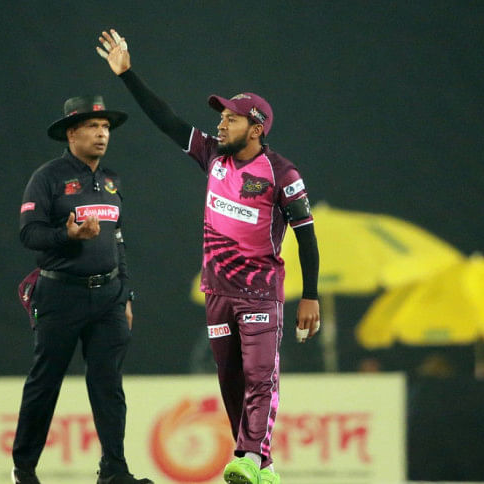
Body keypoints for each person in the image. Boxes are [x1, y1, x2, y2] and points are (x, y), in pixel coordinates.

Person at [96, 29, 321, 484]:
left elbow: (307, 236)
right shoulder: (213, 156)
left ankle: (248, 455)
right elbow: (167, 119)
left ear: (256, 128)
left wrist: (310, 295)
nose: (220, 125)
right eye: (220, 117)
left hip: (260, 292)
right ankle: (263, 466)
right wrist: (127, 74)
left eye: (231, 119)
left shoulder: (282, 173)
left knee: (261, 376)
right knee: (230, 380)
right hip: (217, 291)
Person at [13, 95, 152, 484]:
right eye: (93, 126)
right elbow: (29, 234)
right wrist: (67, 235)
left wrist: (125, 292)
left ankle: (114, 470)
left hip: (108, 297)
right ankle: (24, 469)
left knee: (108, 384)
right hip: (60, 294)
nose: (102, 133)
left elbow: (117, 240)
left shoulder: (111, 180)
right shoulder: (48, 177)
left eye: (106, 127)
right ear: (72, 133)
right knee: (46, 381)